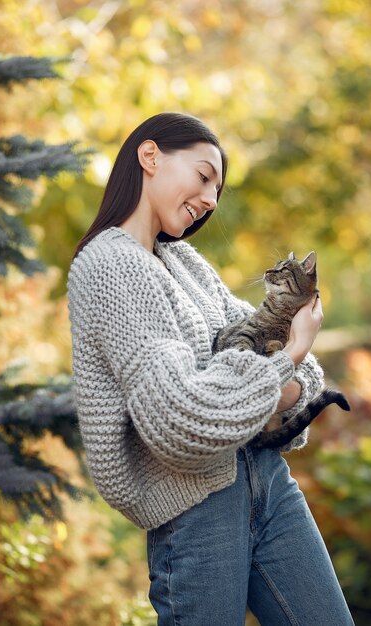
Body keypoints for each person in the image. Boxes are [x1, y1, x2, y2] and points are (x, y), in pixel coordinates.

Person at [67, 112, 354, 625]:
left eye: (217, 190)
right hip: (198, 510)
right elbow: (183, 421)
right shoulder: (109, 265)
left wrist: (265, 378)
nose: (211, 201)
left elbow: (308, 382)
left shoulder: (186, 264)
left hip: (267, 480)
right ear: (150, 156)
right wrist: (282, 364)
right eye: (203, 177)